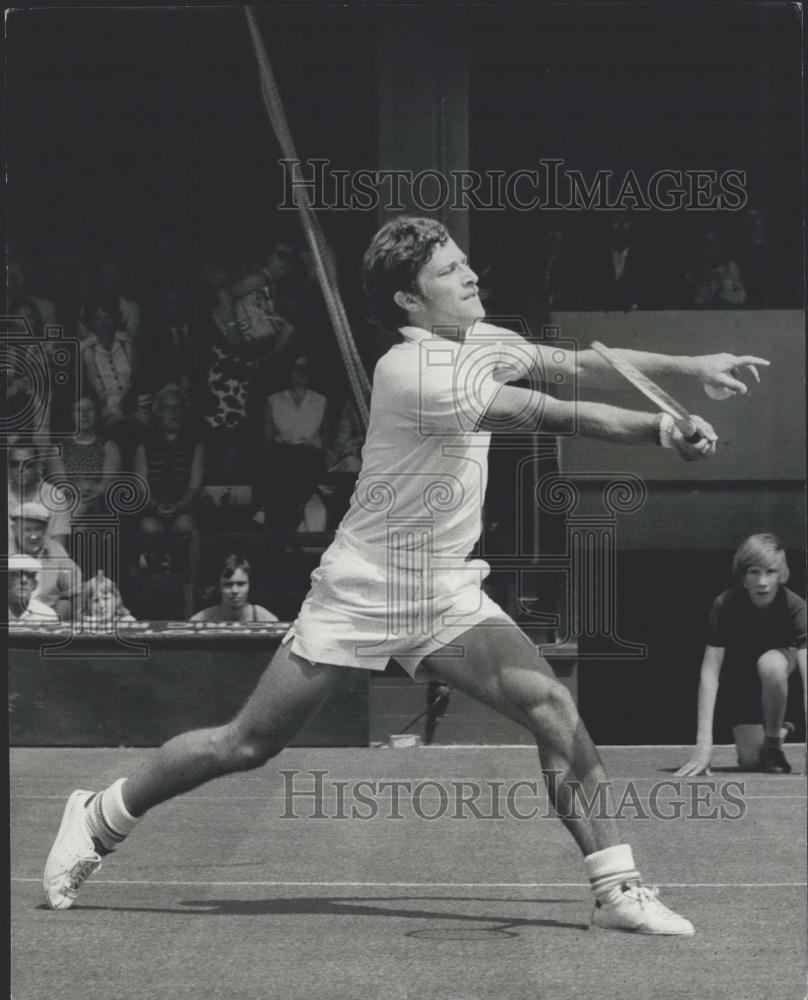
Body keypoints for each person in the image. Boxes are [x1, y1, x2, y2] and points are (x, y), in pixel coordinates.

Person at [44, 216, 769, 934]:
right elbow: (549, 410)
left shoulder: (481, 340)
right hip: (364, 586)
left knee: (553, 707)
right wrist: (660, 429)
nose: (471, 274)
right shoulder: (410, 370)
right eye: (450, 271)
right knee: (247, 744)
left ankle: (616, 889)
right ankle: (101, 814)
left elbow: (575, 366)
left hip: (445, 590)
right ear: (408, 301)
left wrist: (690, 368)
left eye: (464, 261)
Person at [675, 534, 806, 776]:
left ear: (782, 575)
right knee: (750, 761)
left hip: (782, 677)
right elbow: (710, 673)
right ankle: (784, 729)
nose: (763, 581)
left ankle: (775, 741)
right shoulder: (725, 605)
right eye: (754, 572)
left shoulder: (796, 607)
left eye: (770, 572)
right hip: (744, 682)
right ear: (743, 577)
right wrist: (704, 744)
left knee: (770, 664)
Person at [134, 384, 205, 537]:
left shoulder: (194, 445)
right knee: (149, 527)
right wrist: (155, 506)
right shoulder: (144, 447)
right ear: (158, 411)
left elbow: (195, 486)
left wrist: (179, 506)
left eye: (178, 407)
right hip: (153, 510)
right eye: (168, 408)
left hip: (185, 509)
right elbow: (141, 488)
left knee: (185, 524)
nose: (173, 413)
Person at [10, 501, 82, 621]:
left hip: (47, 621)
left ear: (46, 530)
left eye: (38, 529)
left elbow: (75, 591)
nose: (34, 536)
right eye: (27, 530)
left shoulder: (56, 551)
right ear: (14, 530)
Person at [53, 397, 122, 518]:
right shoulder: (58, 448)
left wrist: (92, 490)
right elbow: (61, 485)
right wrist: (80, 488)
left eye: (89, 409)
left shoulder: (109, 446)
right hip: (69, 503)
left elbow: (107, 485)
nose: (84, 415)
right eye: (78, 410)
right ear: (70, 415)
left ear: (97, 413)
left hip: (101, 504)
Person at [190, 555, 279, 624]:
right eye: (228, 585)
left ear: (249, 585)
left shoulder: (264, 618)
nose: (235, 591)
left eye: (241, 584)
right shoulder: (202, 619)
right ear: (219, 587)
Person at [8, 554, 60, 625]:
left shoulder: (46, 615)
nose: (24, 580)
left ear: (35, 585)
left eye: (30, 575)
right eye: (16, 574)